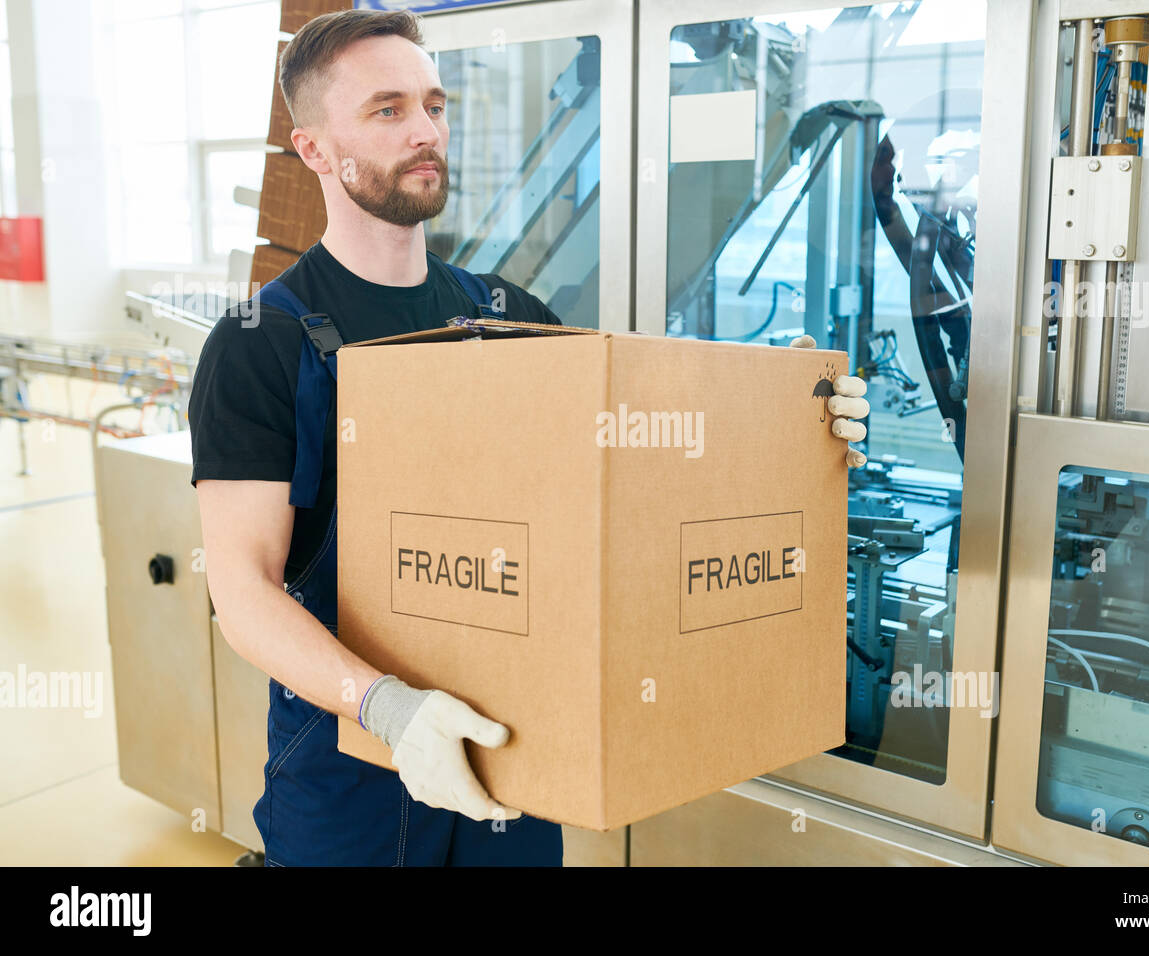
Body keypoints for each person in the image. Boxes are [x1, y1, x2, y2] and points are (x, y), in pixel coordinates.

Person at [189, 8, 869, 868]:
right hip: (348, 785)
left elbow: (631, 489)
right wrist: (390, 709)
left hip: (513, 768)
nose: (427, 129)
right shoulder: (262, 340)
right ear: (316, 149)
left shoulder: (509, 317)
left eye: (435, 104)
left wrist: (786, 422)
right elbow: (243, 592)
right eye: (387, 110)